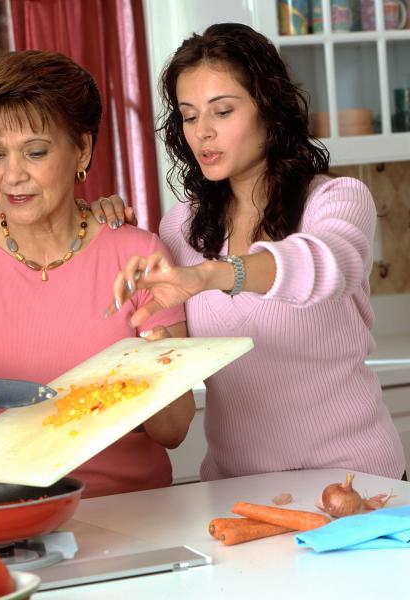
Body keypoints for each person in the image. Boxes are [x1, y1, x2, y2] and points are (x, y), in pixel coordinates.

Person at [103, 23, 406, 481]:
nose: (202, 132)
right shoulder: (180, 227)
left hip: (356, 480)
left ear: (269, 108)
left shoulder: (336, 200)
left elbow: (328, 264)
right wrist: (101, 227)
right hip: (237, 488)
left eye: (221, 111)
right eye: (188, 116)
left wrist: (215, 275)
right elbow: (176, 345)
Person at [0, 50, 195, 499]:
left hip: (133, 507)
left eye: (35, 152)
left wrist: (155, 362)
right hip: (0, 515)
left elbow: (173, 432)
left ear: (83, 149)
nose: (12, 176)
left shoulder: (139, 254)